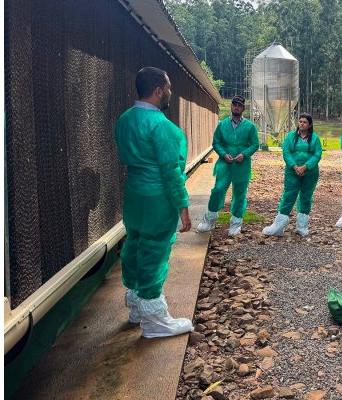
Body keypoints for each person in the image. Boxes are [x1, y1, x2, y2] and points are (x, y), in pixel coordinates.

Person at [114, 67, 193, 338]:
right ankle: (155, 320)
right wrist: (183, 206)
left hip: (134, 194)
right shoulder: (163, 127)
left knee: (135, 245)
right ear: (159, 90)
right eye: (168, 87)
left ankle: (137, 305)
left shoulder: (125, 119)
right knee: (155, 251)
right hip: (158, 197)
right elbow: (172, 171)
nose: (170, 92)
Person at [196, 95, 259, 236]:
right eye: (234, 104)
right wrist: (223, 154)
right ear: (231, 106)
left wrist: (244, 154)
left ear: (243, 108)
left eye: (239, 105)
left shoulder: (250, 126)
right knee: (218, 189)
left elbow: (255, 144)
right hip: (225, 163)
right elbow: (216, 142)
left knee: (240, 193)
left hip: (242, 164)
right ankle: (209, 221)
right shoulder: (222, 124)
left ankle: (236, 223)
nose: (236, 107)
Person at [262, 113, 323, 237]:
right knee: (289, 195)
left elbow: (317, 154)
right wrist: (295, 166)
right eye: (300, 121)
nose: (302, 124)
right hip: (292, 172)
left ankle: (302, 226)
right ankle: (278, 226)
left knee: (306, 196)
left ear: (310, 124)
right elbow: (286, 152)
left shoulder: (315, 138)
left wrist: (305, 167)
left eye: (305, 122)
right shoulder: (290, 136)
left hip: (310, 172)